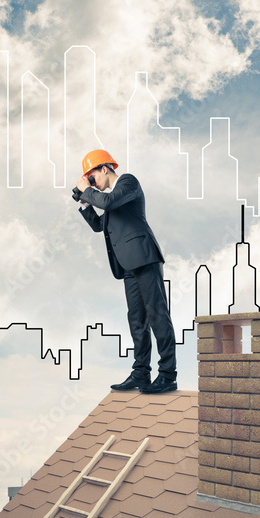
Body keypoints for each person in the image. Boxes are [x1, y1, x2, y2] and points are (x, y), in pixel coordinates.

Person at [72, 149, 177, 394]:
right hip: (127, 264)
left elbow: (107, 202)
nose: (92, 182)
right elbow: (99, 226)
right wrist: (84, 201)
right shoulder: (111, 199)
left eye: (92, 176)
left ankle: (168, 376)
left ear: (104, 169)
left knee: (157, 315)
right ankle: (141, 373)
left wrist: (88, 190)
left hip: (144, 258)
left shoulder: (128, 182)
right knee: (136, 320)